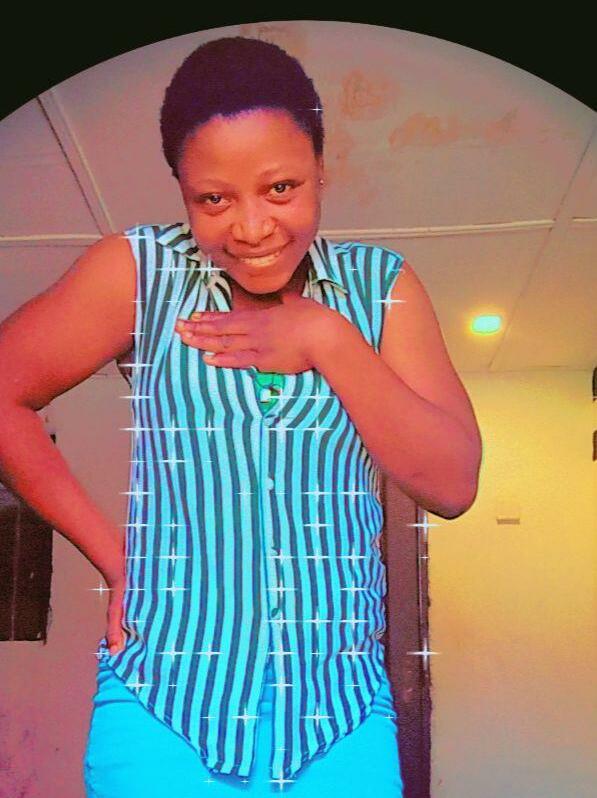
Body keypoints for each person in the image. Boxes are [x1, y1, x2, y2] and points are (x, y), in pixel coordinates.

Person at [0, 36, 482, 797]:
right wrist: (116, 559)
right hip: (163, 709)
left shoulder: (380, 286)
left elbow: (453, 484)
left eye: (281, 187)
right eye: (213, 200)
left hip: (339, 720)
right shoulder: (142, 271)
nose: (252, 228)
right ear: (182, 191)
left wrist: (327, 340)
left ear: (321, 169)